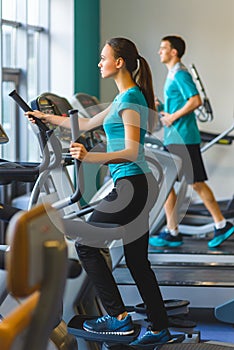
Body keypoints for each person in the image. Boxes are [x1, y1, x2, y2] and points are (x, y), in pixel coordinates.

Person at [26, 37, 171, 347]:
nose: (99, 63)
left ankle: (118, 317)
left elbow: (132, 151)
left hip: (131, 184)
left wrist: (88, 157)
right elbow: (88, 123)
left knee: (85, 243)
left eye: (103, 57)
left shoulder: (130, 100)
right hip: (135, 184)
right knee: (137, 262)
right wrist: (44, 117)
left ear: (119, 62)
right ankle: (160, 328)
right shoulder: (122, 99)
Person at [149, 35, 234, 249]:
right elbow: (178, 103)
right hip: (175, 137)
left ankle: (221, 224)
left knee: (195, 183)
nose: (159, 51)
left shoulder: (180, 74)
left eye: (163, 48)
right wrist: (161, 107)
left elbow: (195, 101)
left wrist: (173, 117)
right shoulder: (172, 74)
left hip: (183, 138)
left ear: (174, 51)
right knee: (167, 183)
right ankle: (172, 231)